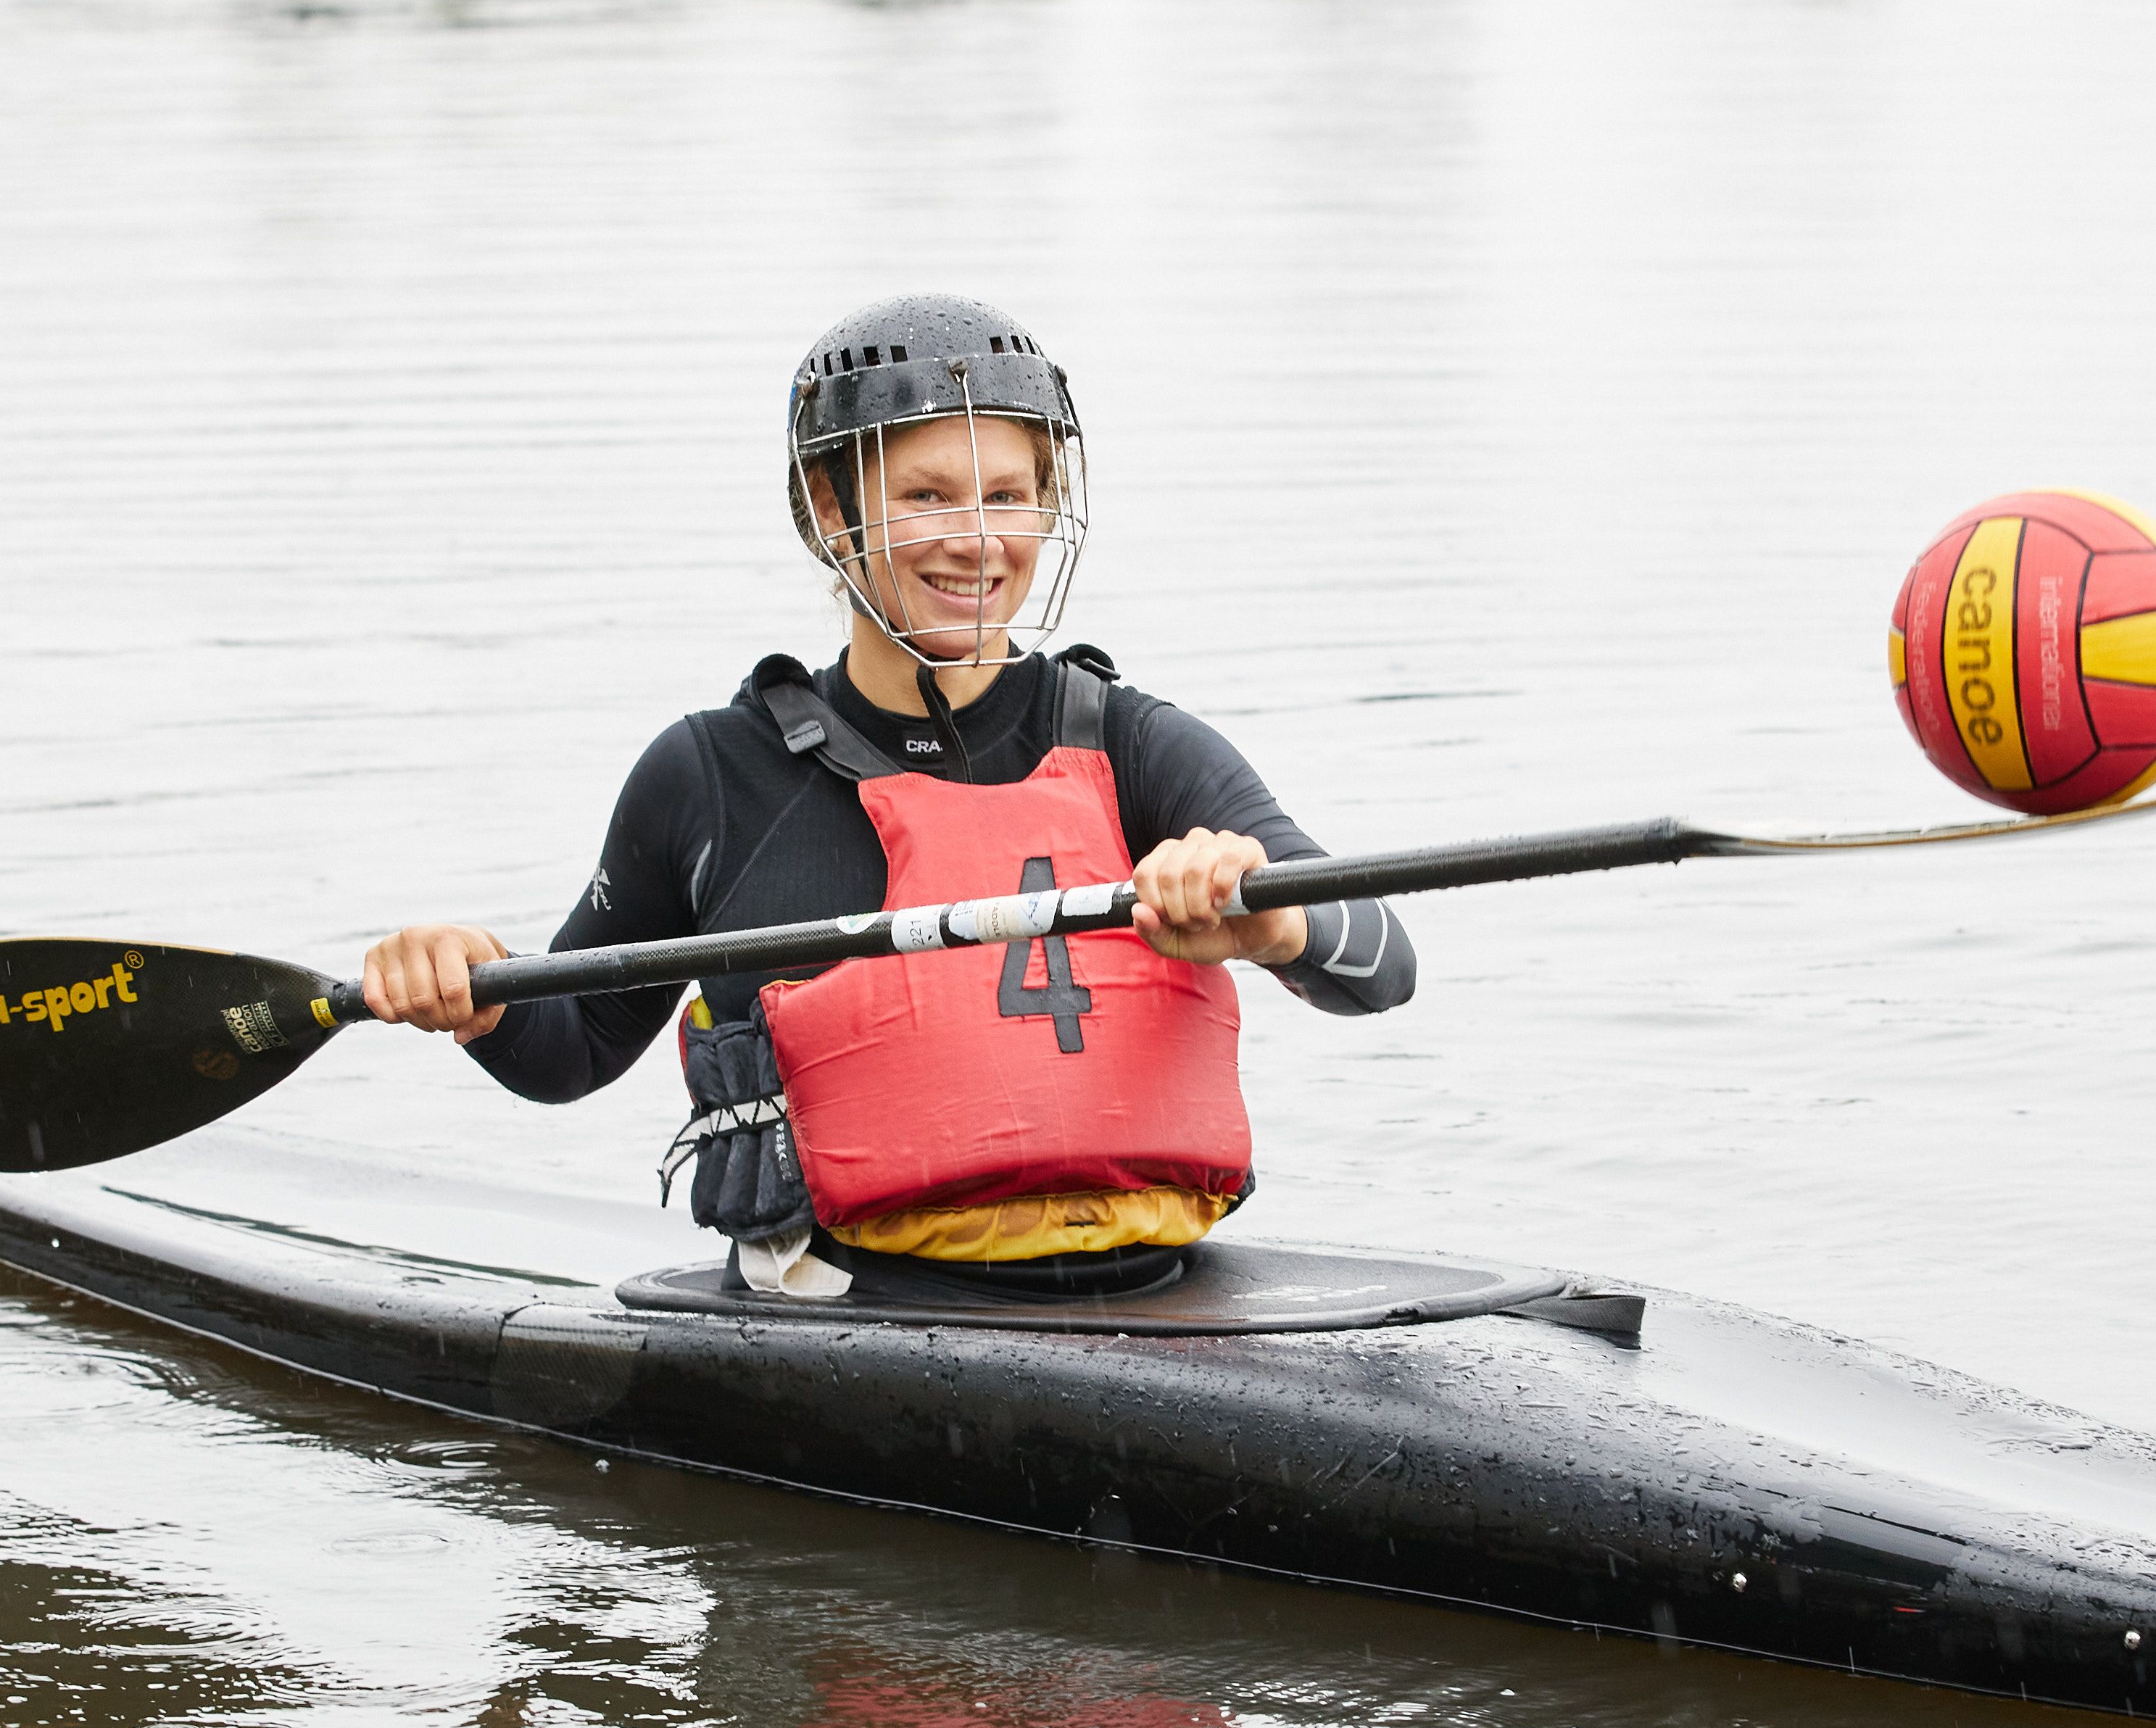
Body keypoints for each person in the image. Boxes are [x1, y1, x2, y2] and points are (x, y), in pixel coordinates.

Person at [358, 294, 1414, 1300]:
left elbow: (1382, 968)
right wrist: (476, 987)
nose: (978, 540)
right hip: (841, 1313)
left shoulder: (1136, 746)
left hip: (1160, 1300)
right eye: (926, 497)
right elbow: (572, 1052)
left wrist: (1271, 921)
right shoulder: (710, 776)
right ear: (832, 508)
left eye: (1009, 496)